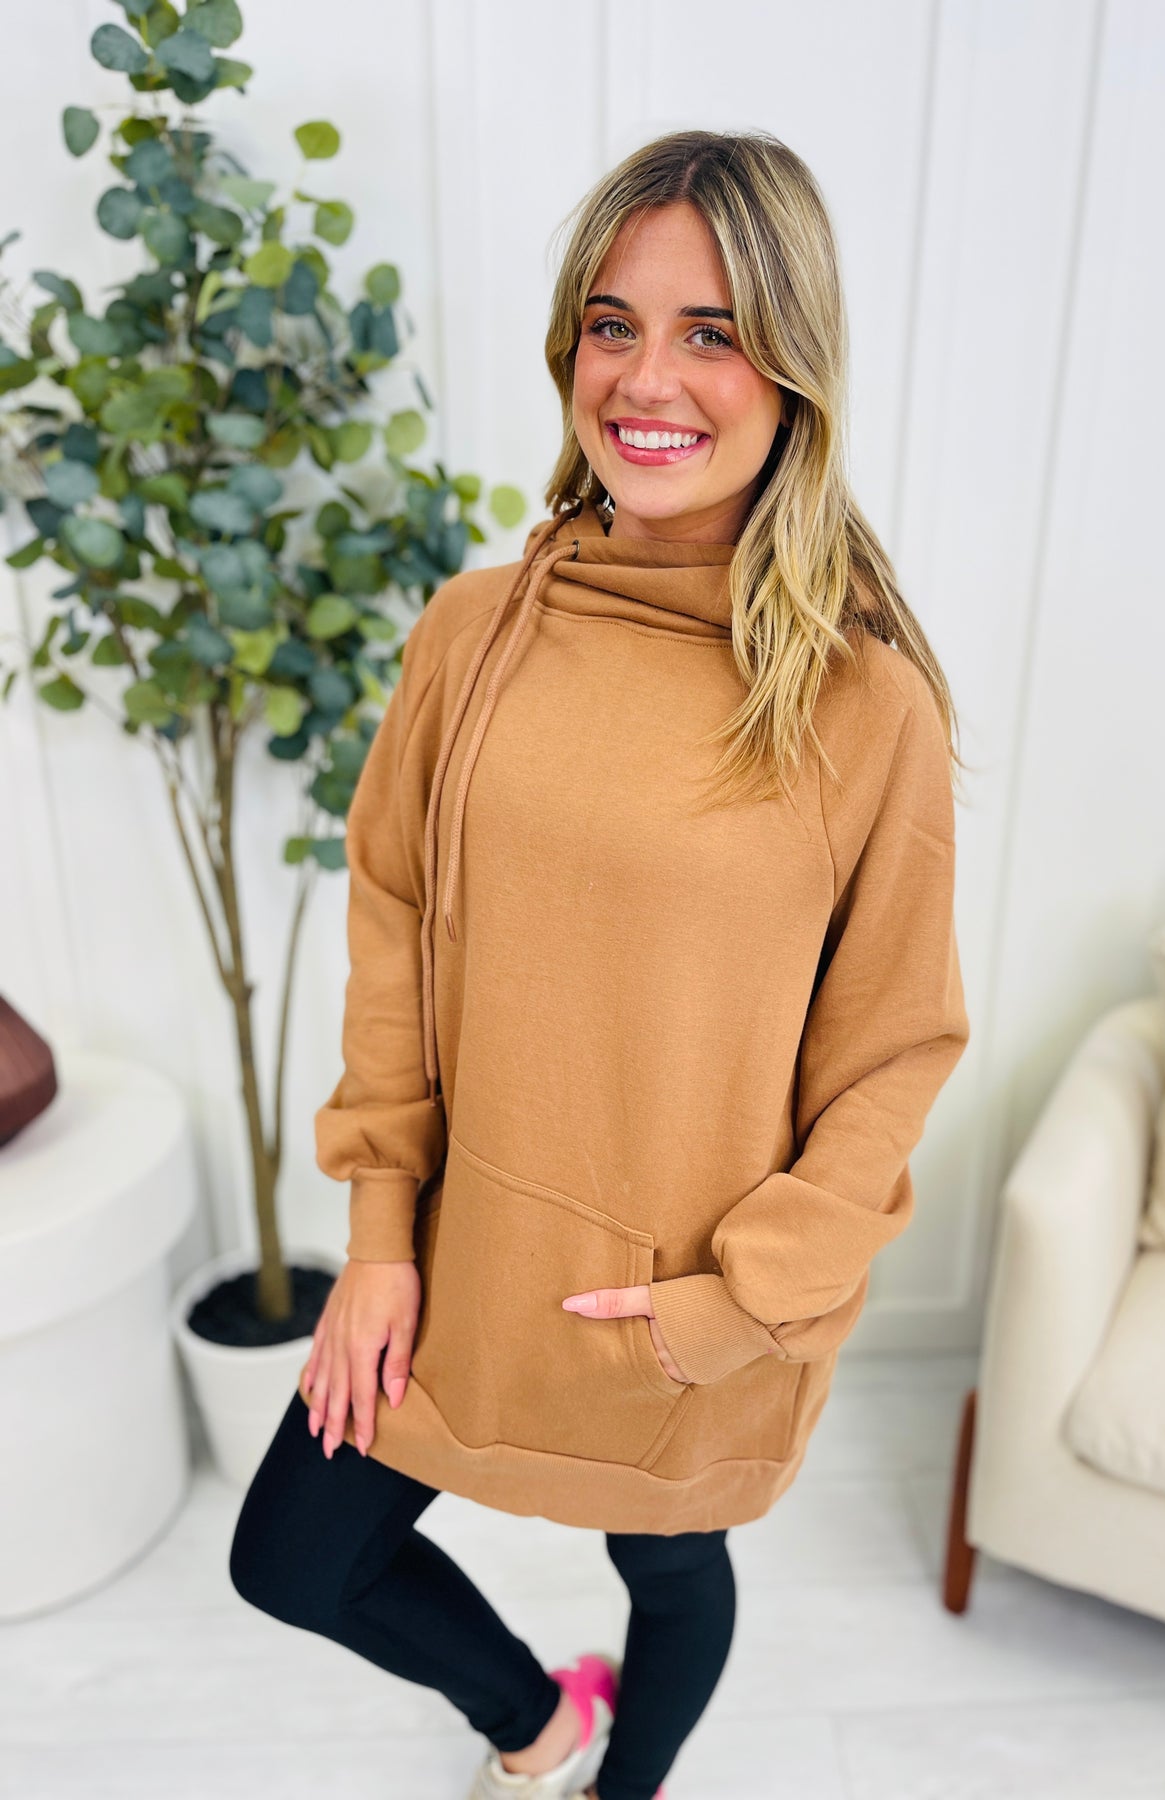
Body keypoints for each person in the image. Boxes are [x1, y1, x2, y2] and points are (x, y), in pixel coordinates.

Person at [230, 126, 970, 1800]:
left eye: (712, 333)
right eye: (611, 323)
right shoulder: (471, 631)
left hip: (679, 1308)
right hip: (452, 1270)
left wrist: (738, 1307)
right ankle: (541, 1728)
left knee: (672, 1568)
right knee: (294, 1556)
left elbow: (892, 1049)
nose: (646, 378)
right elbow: (393, 925)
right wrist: (376, 1240)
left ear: (793, 370)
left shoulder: (863, 705)